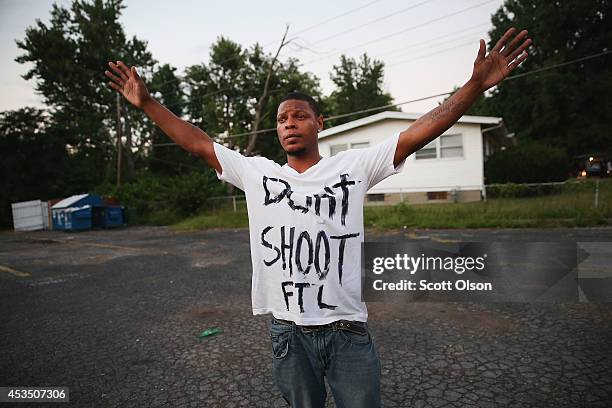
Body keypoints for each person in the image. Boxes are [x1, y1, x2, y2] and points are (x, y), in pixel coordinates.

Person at [106, 27, 531, 408]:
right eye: (281, 119)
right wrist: (147, 103)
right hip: (288, 334)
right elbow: (197, 143)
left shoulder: (353, 167)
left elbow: (420, 130)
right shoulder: (258, 173)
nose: (289, 124)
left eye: (299, 116)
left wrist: (474, 86)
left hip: (346, 332)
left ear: (318, 124)